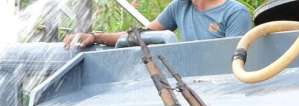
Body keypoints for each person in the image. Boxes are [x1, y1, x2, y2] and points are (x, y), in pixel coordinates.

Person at [63, 0, 251, 48]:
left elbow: (235, 63)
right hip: (186, 82)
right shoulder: (180, 6)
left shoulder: (235, 13)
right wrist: (96, 37)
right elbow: (141, 35)